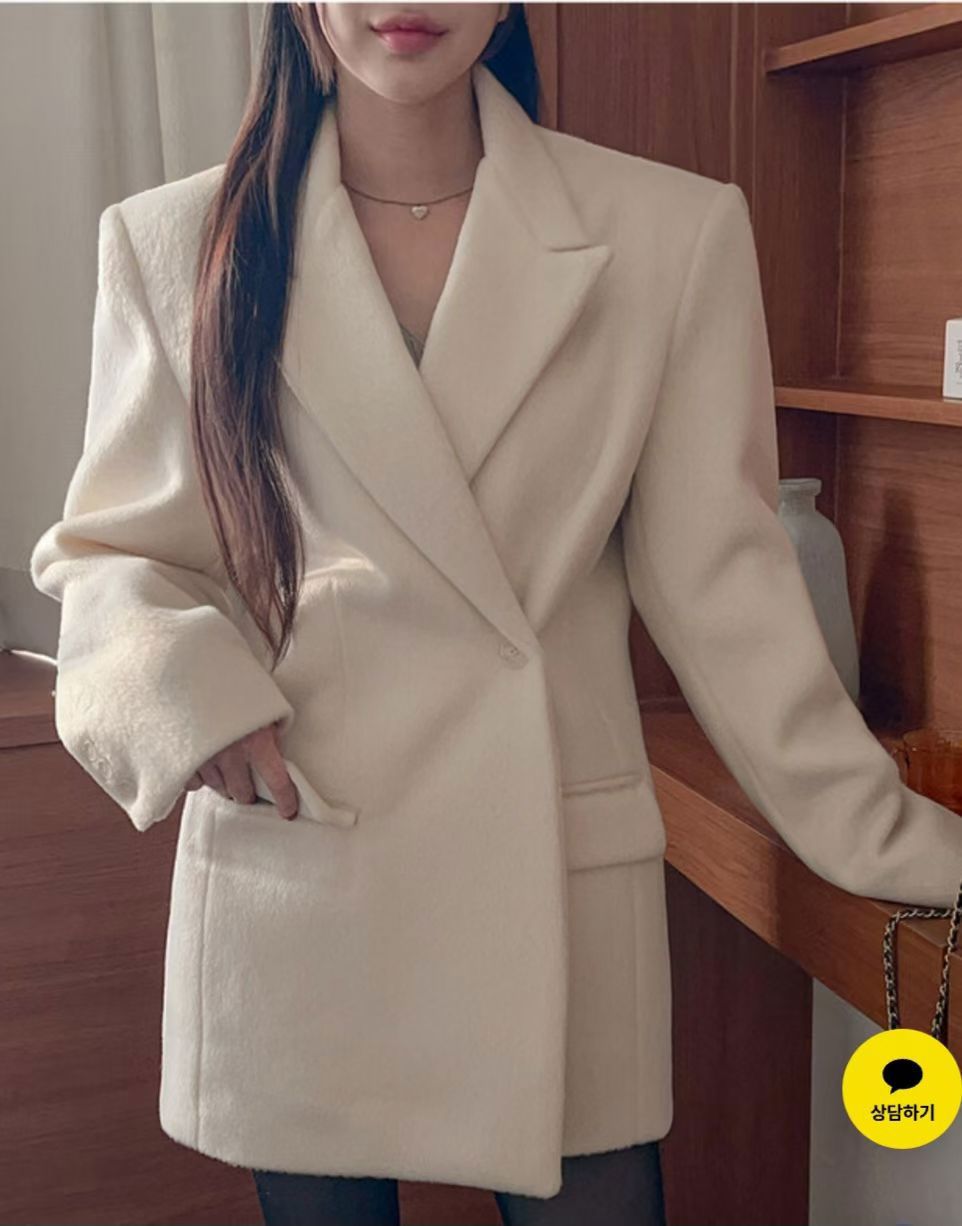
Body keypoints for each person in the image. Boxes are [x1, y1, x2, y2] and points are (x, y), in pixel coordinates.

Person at [29, 4, 962, 1225]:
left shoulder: (667, 233)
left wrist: (896, 843)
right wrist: (189, 701)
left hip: (550, 874)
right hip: (304, 853)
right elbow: (112, 556)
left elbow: (726, 590)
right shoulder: (174, 242)